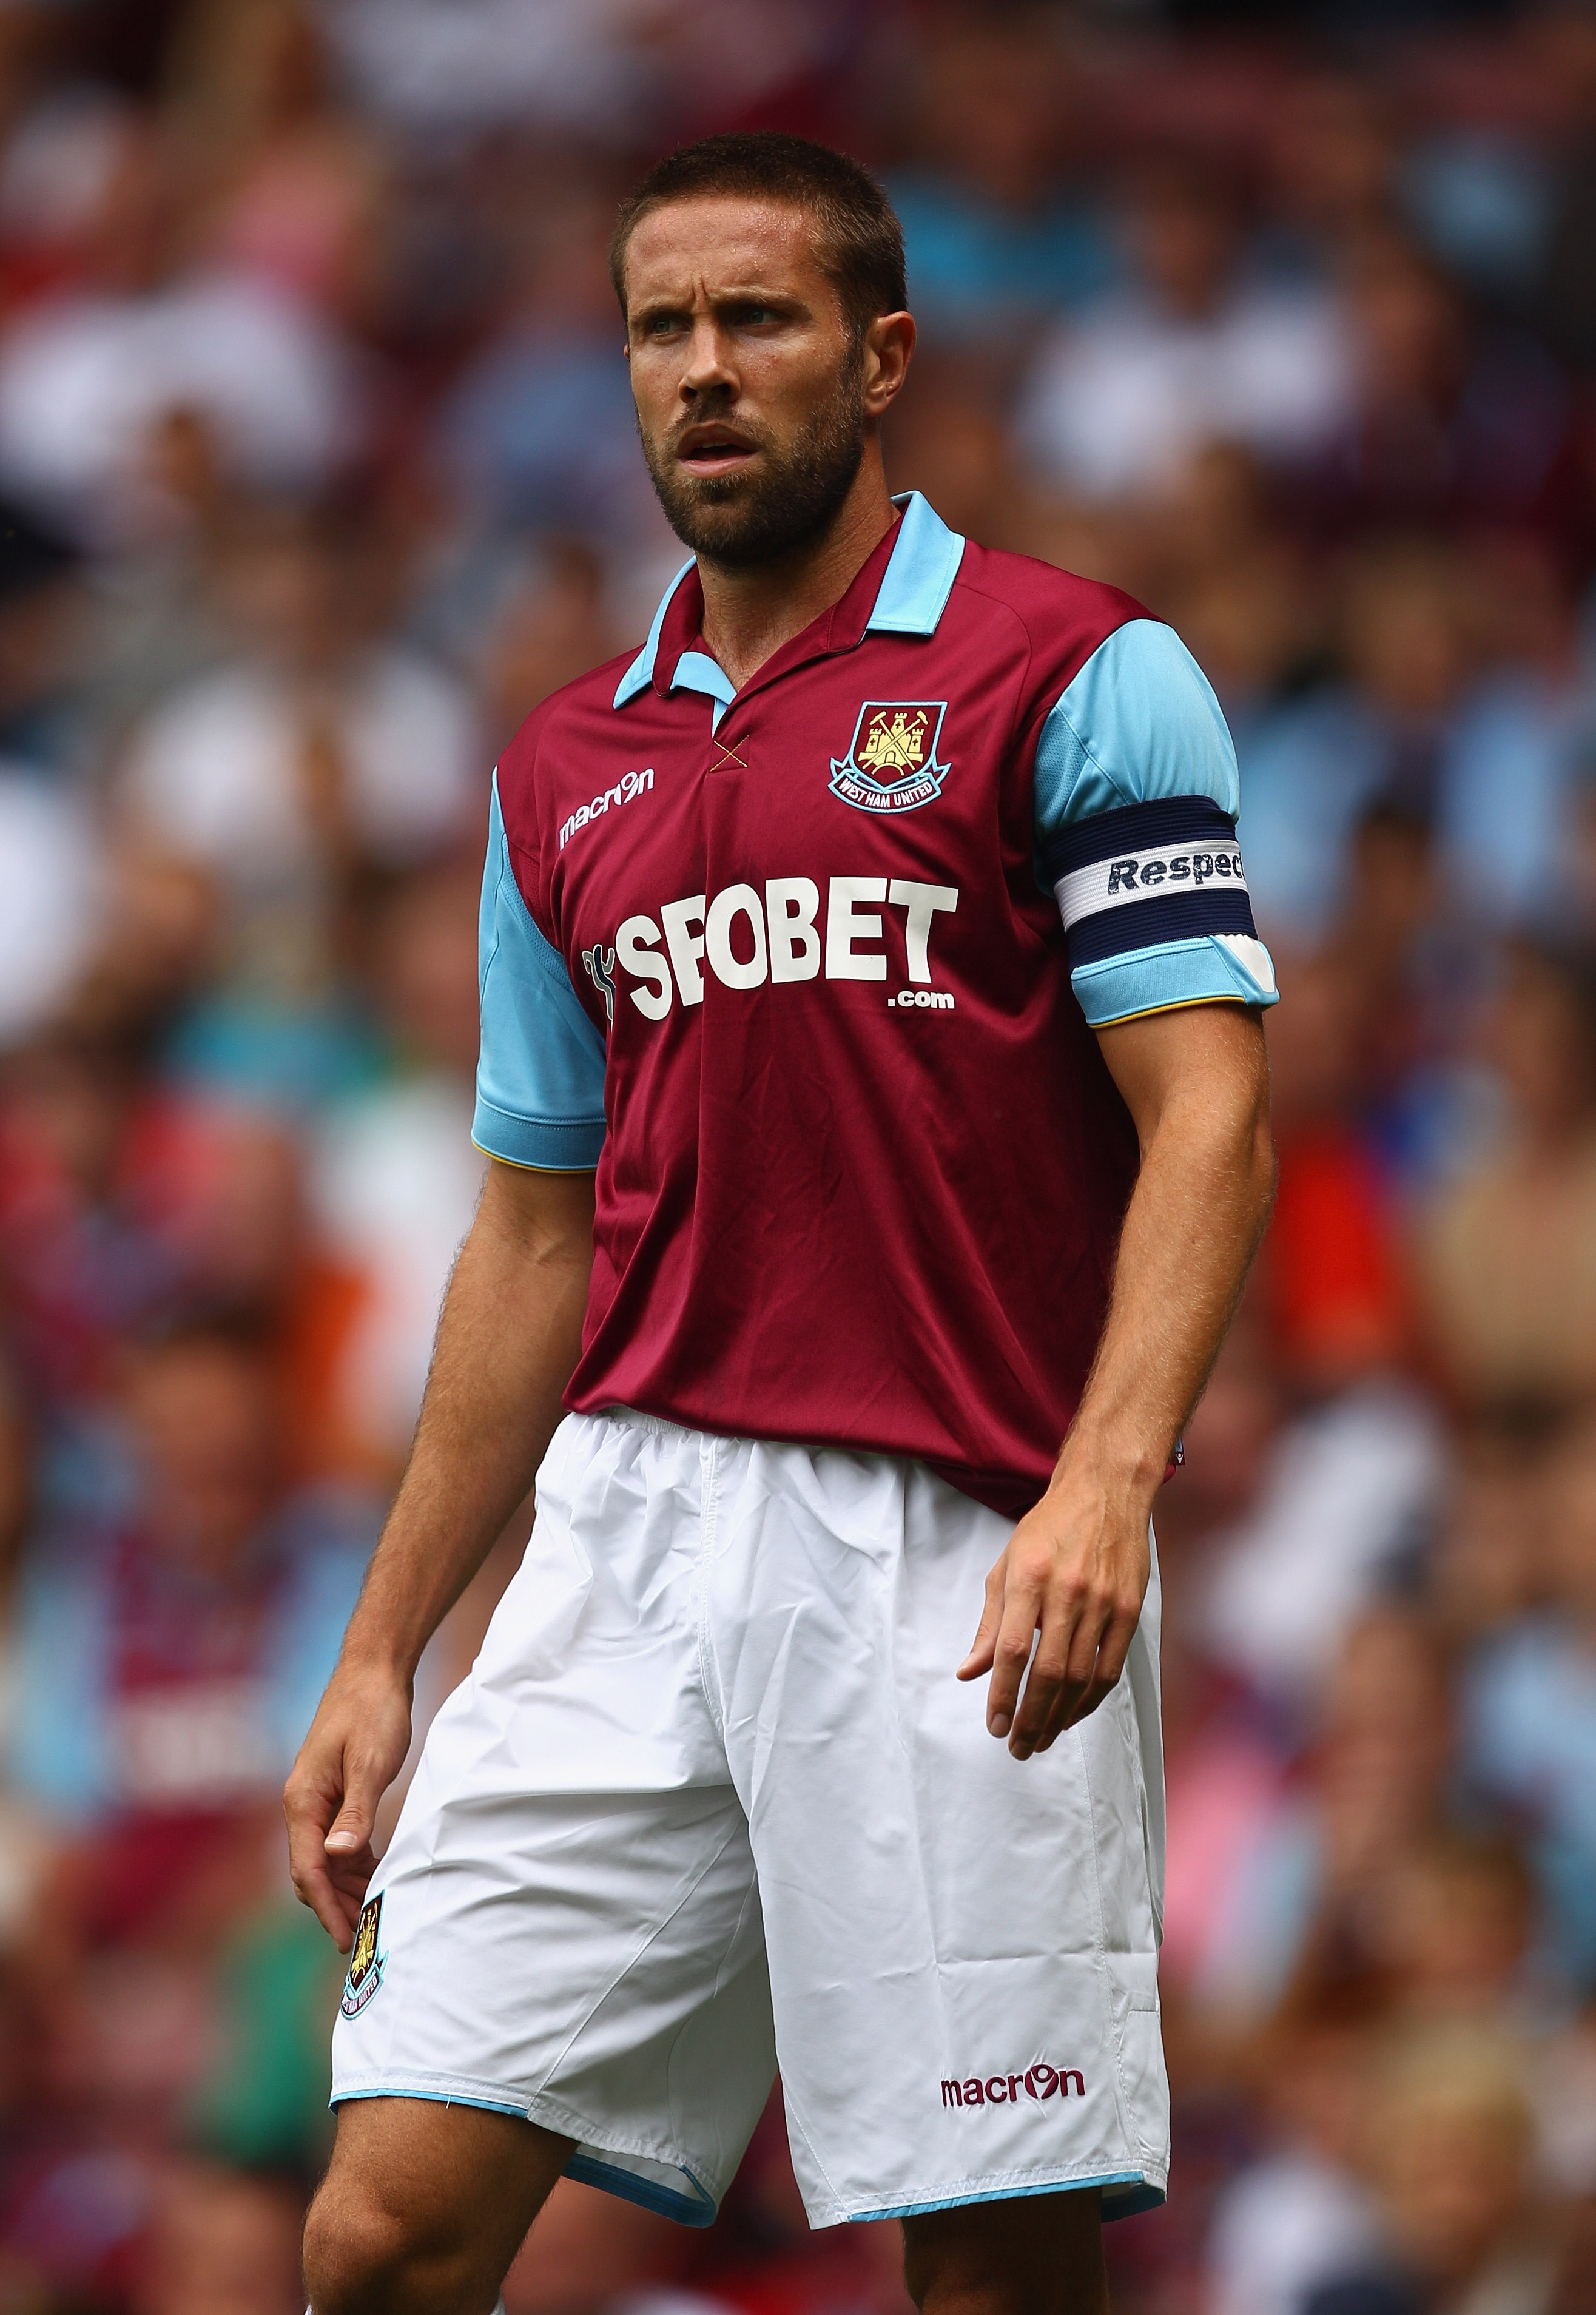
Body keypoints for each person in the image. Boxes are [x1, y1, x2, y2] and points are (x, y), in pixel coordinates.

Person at [284, 132, 1279, 2315]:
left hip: (959, 1540)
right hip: (625, 1537)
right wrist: (385, 1644)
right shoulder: (565, 763)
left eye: (760, 320)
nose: (705, 372)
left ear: (883, 353)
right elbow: (532, 1238)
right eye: (664, 328)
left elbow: (1210, 1117)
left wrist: (1107, 1481)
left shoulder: (1079, 672)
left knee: (990, 2266)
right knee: (375, 2235)